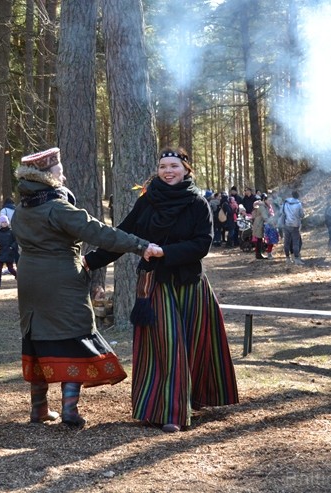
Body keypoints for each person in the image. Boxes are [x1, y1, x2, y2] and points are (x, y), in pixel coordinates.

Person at [85, 146, 239, 433]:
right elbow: (122, 237)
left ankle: (192, 398)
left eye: (174, 166)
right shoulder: (146, 202)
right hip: (154, 285)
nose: (168, 171)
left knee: (192, 344)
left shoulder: (197, 204)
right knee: (167, 346)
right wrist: (89, 261)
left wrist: (163, 252)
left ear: (186, 171)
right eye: (163, 166)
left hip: (189, 284)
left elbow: (201, 244)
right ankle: (167, 411)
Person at [12, 147, 156, 428]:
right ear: (47, 176)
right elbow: (98, 231)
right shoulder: (57, 207)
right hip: (61, 279)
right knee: (72, 336)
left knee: (37, 336)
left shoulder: (22, 208)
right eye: (59, 172)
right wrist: (140, 245)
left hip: (29, 279)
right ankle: (69, 411)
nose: (63, 176)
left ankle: (39, 409)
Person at [0, 215, 18, 288]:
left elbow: (16, 241)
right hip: (1, 252)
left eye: (6, 222)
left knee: (10, 268)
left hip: (9, 252)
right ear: (0, 223)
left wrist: (12, 247)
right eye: (3, 222)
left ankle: (18, 276)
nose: (4, 223)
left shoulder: (11, 232)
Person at [281, 190, 305, 265]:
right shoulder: (298, 204)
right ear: (298, 196)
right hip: (295, 225)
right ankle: (296, 259)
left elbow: (282, 212)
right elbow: (301, 215)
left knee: (287, 242)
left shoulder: (285, 202)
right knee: (296, 242)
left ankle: (287, 258)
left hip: (286, 224)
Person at [261, 194, 279, 259]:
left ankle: (269, 252)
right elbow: (265, 217)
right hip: (267, 225)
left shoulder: (270, 206)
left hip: (272, 224)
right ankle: (268, 253)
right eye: (269, 200)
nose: (270, 201)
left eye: (271, 200)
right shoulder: (263, 207)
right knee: (269, 240)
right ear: (265, 200)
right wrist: (271, 221)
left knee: (272, 240)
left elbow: (273, 215)